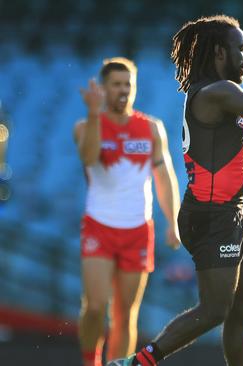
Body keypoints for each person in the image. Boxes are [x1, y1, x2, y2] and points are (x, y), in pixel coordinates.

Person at [107, 14, 243, 366]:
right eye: (242, 48)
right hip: (212, 215)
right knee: (214, 310)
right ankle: (136, 362)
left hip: (229, 213)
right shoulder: (216, 92)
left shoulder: (225, 94)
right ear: (220, 52)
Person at [75, 57, 181, 366]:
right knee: (95, 307)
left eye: (128, 84)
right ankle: (90, 361)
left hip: (138, 230)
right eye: (116, 84)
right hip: (99, 226)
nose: (123, 90)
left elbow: (165, 178)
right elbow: (88, 156)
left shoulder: (151, 128)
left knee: (125, 314)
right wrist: (95, 114)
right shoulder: (85, 126)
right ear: (104, 89)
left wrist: (171, 222)